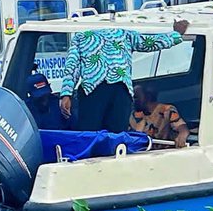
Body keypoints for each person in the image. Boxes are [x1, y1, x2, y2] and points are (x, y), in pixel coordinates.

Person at [58, 20, 189, 131]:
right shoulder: (124, 34)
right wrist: (176, 35)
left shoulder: (80, 37)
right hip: (120, 89)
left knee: (89, 135)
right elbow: (150, 43)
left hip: (93, 89)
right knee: (116, 137)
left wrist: (66, 94)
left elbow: (72, 65)